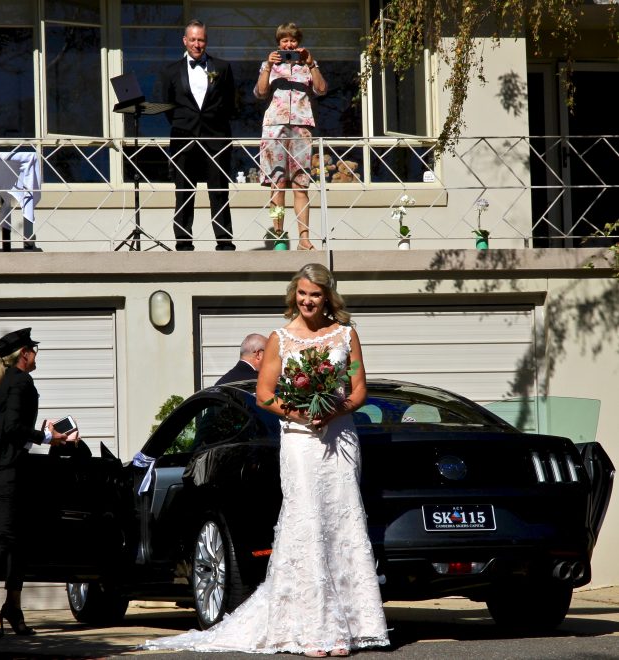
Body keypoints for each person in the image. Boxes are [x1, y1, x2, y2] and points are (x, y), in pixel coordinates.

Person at [144, 263, 389, 655]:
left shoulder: (346, 335)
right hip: (300, 441)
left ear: (328, 297)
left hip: (339, 439)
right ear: (295, 294)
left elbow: (359, 390)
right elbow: (264, 395)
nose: (308, 301)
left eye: (316, 294)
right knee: (307, 521)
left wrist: (333, 408)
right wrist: (301, 414)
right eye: (303, 293)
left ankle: (352, 625)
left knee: (342, 522)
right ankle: (310, 628)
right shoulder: (279, 339)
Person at [0, 328, 76, 638]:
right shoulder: (21, 382)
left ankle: (12, 606)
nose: (36, 355)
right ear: (24, 354)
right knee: (6, 539)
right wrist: (48, 437)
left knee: (18, 542)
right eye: (34, 350)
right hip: (7, 472)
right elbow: (12, 428)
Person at [161, 19, 237, 251]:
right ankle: (183, 242)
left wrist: (215, 124)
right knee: (183, 191)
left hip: (216, 138)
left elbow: (232, 103)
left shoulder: (222, 68)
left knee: (219, 191)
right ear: (185, 41)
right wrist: (185, 125)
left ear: (206, 41)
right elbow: (167, 105)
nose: (197, 44)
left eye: (201, 39)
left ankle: (224, 242)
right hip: (184, 139)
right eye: (193, 39)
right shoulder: (170, 71)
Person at [255, 23, 328, 251]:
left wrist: (311, 63)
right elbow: (260, 92)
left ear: (299, 42)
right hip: (274, 128)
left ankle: (304, 239)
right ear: (278, 43)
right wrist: (268, 66)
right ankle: (279, 236)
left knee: (300, 185)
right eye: (284, 41)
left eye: (293, 40)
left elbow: (322, 89)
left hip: (300, 128)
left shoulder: (307, 67)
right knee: (277, 185)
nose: (289, 45)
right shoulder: (269, 66)